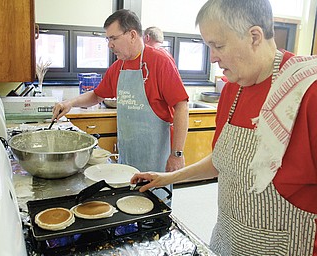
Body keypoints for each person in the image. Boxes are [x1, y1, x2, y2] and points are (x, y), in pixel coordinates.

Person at [131, 0, 317, 255]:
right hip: (227, 242)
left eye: (218, 45)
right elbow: (222, 161)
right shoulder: (232, 89)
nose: (213, 57)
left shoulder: (306, 94)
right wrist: (167, 178)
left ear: (254, 36)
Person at [52, 9, 189, 200]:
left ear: (132, 35)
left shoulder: (160, 61)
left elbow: (181, 105)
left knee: (155, 205)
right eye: (107, 39)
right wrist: (70, 102)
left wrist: (177, 154)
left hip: (155, 156)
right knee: (129, 201)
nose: (109, 45)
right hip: (128, 154)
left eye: (113, 38)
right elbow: (97, 95)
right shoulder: (119, 66)